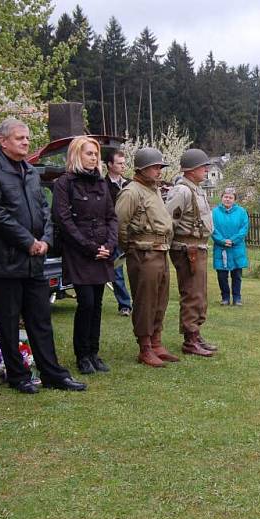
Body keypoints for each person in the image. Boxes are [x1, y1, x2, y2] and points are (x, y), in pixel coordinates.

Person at [0, 118, 86, 394]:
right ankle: (18, 375)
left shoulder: (31, 172)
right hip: (4, 262)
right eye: (19, 138)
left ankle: (52, 373)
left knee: (40, 320)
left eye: (27, 138)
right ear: (3, 141)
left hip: (34, 260)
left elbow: (44, 211)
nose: (25, 142)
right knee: (9, 323)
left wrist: (46, 240)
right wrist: (27, 242)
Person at [52, 136, 117, 375]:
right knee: (86, 302)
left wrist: (109, 245)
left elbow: (111, 217)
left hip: (102, 251)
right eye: (89, 153)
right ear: (76, 155)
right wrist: (89, 246)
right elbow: (63, 220)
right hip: (80, 252)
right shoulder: (64, 183)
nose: (94, 158)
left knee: (97, 303)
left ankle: (93, 352)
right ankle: (82, 355)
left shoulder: (101, 183)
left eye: (96, 154)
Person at [115, 148, 178, 368]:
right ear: (142, 169)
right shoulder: (131, 192)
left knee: (161, 299)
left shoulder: (154, 190)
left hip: (160, 250)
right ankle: (145, 347)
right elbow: (120, 225)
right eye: (154, 167)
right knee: (145, 302)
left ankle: (157, 342)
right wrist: (131, 248)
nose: (159, 171)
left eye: (160, 167)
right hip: (143, 252)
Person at [166, 148, 217, 357]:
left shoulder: (196, 189)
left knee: (200, 294)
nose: (206, 170)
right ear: (191, 169)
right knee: (192, 293)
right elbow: (169, 222)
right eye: (203, 167)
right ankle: (190, 339)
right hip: (187, 249)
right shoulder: (182, 191)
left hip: (198, 247)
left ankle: (195, 333)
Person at [104, 150, 134, 317]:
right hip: (113, 234)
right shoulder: (102, 185)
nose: (123, 166)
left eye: (124, 163)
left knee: (137, 269)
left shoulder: (130, 184)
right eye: (120, 163)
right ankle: (124, 304)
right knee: (116, 271)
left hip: (132, 233)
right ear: (110, 164)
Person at [212, 187, 250, 306]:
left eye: (230, 197)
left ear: (234, 199)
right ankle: (225, 298)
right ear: (222, 197)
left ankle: (237, 298)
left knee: (236, 275)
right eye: (225, 197)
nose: (227, 199)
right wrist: (222, 241)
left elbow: (244, 229)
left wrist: (233, 240)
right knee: (222, 275)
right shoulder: (214, 212)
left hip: (236, 248)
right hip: (220, 247)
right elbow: (212, 229)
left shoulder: (242, 212)